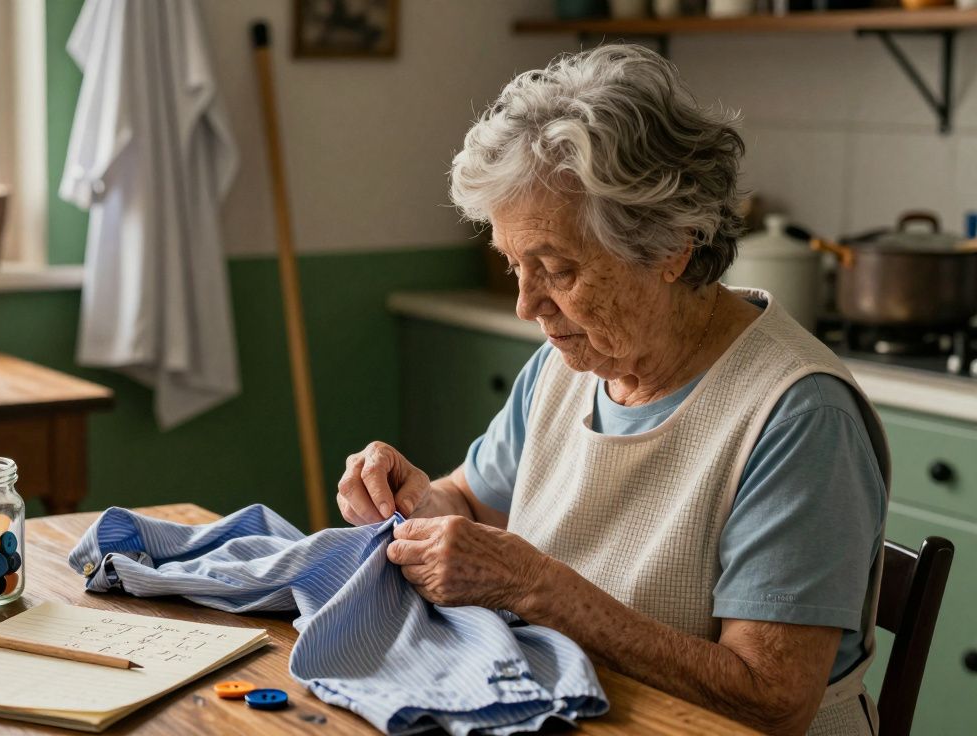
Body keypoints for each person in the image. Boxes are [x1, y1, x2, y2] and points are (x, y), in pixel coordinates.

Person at [337, 45, 887, 736]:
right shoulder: (569, 366)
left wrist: (537, 588)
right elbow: (473, 502)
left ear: (670, 248)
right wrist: (414, 500)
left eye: (556, 269)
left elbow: (772, 703)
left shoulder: (798, 418)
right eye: (514, 267)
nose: (526, 305)